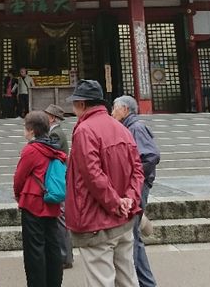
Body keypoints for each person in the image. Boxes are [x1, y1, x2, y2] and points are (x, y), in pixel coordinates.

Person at [65, 80, 144, 287]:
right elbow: (137, 169)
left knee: (101, 281)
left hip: (96, 219)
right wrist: (129, 199)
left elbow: (92, 175)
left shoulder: (84, 130)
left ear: (82, 104)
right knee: (128, 279)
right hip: (124, 218)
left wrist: (115, 202)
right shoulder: (121, 128)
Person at [14, 111, 67, 287]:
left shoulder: (31, 150)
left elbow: (19, 178)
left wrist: (18, 195)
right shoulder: (53, 147)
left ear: (31, 130)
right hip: (51, 202)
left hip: (33, 202)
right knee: (52, 246)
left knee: (34, 251)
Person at [112, 96, 161, 287]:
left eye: (115, 108)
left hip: (138, 187)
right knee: (133, 236)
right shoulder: (128, 127)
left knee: (132, 236)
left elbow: (151, 156)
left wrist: (134, 179)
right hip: (136, 186)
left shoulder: (136, 128)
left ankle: (143, 282)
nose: (112, 112)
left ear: (125, 109)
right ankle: (143, 282)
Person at [43, 104, 73, 268]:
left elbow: (49, 152)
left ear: (52, 118)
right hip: (59, 176)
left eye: (47, 115)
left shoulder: (55, 134)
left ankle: (64, 256)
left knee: (60, 218)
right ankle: (64, 255)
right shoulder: (55, 132)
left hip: (58, 177)